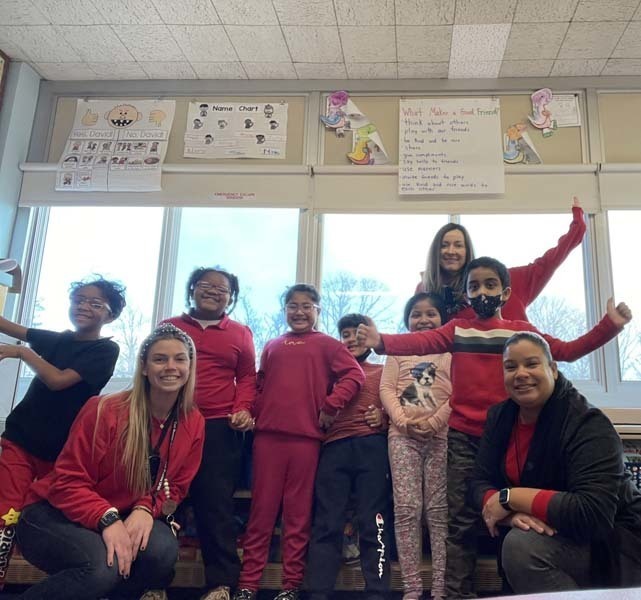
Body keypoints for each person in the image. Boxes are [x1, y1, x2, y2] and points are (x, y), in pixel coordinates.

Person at [356, 256, 632, 599]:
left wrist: (610, 326)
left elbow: (565, 351)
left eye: (490, 285)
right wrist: (380, 341)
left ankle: (510, 589)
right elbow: (419, 343)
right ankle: (456, 593)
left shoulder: (521, 333)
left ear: (505, 292)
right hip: (462, 437)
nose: (482, 292)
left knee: (512, 516)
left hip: (506, 436)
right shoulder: (456, 328)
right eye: (474, 286)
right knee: (459, 521)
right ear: (466, 294)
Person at [15, 323, 205, 600]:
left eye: (180, 359)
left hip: (124, 511)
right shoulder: (104, 409)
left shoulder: (193, 421)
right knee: (103, 567)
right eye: (159, 359)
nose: (170, 367)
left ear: (190, 366)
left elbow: (174, 486)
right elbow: (67, 482)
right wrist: (108, 519)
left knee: (161, 551)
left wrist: (144, 508)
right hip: (53, 513)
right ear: (144, 367)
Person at [469, 332, 641, 593]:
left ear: (553, 369)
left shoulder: (588, 422)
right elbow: (479, 481)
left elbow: (593, 513)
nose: (521, 373)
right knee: (519, 541)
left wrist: (510, 498)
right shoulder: (500, 417)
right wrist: (512, 514)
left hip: (614, 546)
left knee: (521, 548)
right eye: (511, 367)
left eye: (532, 364)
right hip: (553, 536)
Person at [234, 284, 365, 600]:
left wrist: (331, 405)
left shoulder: (329, 345)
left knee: (297, 516)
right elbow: (260, 386)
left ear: (318, 311)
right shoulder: (273, 346)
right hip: (267, 439)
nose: (299, 311)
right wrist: (248, 411)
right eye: (292, 305)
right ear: (285, 311)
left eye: (307, 305)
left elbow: (354, 376)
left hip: (306, 441)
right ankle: (248, 583)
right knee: (261, 515)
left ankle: (291, 585)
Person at [0, 276, 126, 588]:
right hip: (20, 441)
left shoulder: (105, 350)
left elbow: (57, 381)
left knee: (38, 517)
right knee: (6, 515)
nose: (84, 306)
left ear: (110, 315)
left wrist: (22, 353)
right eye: (79, 300)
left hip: (60, 454)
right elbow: (9, 326)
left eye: (96, 303)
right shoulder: (58, 340)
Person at [162, 267, 256, 600]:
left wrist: (243, 408)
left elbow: (247, 378)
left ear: (231, 297)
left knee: (215, 505)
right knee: (162, 502)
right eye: (207, 285)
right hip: (170, 423)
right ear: (192, 290)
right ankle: (152, 582)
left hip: (219, 427)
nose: (214, 292)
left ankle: (220, 585)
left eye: (223, 289)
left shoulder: (241, 333)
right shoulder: (168, 327)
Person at [306, 313, 391, 600]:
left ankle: (377, 593)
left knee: (373, 520)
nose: (352, 339)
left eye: (359, 333)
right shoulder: (328, 374)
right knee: (327, 522)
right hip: (334, 448)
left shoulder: (383, 370)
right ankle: (318, 593)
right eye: (346, 334)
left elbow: (397, 406)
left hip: (372, 448)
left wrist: (384, 418)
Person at [379, 293, 452, 600]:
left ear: (442, 319)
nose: (423, 319)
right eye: (416, 314)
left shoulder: (450, 351)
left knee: (437, 511)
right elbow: (386, 388)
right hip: (402, 437)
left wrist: (436, 421)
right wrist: (401, 419)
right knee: (408, 509)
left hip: (439, 436)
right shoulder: (398, 351)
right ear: (407, 320)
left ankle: (439, 588)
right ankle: (411, 588)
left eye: (431, 314)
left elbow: (459, 391)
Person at [417, 198, 585, 321]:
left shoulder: (507, 281)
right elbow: (418, 335)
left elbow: (548, 263)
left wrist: (577, 227)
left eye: (458, 245)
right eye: (444, 245)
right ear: (435, 251)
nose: (451, 251)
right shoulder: (425, 289)